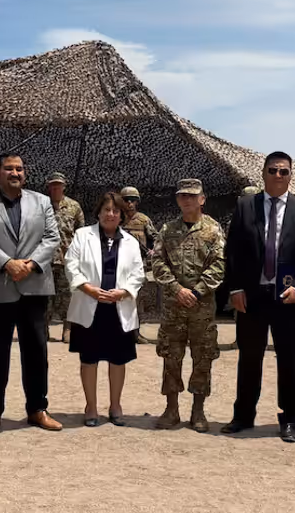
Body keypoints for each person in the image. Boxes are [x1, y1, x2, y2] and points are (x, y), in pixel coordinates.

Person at [221, 151, 295, 443]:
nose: (278, 175)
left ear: (290, 175)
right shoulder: (245, 206)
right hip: (252, 295)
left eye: (284, 171)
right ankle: (243, 415)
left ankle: (289, 418)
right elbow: (234, 250)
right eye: (273, 170)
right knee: (249, 358)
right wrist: (235, 288)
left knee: (290, 360)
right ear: (264, 173)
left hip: (289, 296)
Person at [0, 152, 62, 437]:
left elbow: (52, 238)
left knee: (36, 351)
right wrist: (7, 263)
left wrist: (29, 265)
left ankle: (37, 409)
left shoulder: (42, 202)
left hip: (34, 286)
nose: (15, 173)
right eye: (9, 168)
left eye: (19, 168)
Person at [64, 191, 147, 427]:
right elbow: (71, 264)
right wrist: (87, 288)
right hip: (89, 306)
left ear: (121, 215)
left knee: (118, 360)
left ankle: (115, 405)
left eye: (115, 211)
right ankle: (90, 406)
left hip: (118, 308)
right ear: (98, 212)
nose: (110, 214)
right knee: (89, 359)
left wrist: (124, 292)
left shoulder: (131, 241)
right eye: (106, 210)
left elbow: (138, 273)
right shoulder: (82, 235)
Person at [151, 179, 226, 432]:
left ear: (202, 199)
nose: (187, 200)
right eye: (182, 196)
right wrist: (177, 289)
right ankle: (171, 409)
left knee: (203, 356)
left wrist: (197, 291)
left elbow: (219, 264)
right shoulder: (167, 229)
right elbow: (158, 262)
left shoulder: (213, 230)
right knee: (171, 356)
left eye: (192, 196)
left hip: (201, 307)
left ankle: (198, 410)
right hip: (173, 306)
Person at [220, 185, 262, 352]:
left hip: (259, 273)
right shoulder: (236, 220)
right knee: (240, 308)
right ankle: (241, 340)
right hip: (241, 272)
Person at [46, 171, 85, 343]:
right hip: (45, 260)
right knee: (45, 296)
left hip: (66, 258)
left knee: (67, 296)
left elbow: (80, 232)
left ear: (64, 187)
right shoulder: (42, 205)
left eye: (59, 185)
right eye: (53, 185)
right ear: (49, 187)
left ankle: (67, 329)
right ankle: (43, 328)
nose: (56, 188)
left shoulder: (74, 206)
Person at [120, 186, 158, 345]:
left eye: (133, 200)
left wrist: (153, 250)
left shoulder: (143, 220)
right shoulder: (116, 218)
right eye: (126, 200)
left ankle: (135, 333)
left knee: (137, 301)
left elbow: (155, 238)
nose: (129, 203)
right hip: (118, 266)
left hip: (137, 266)